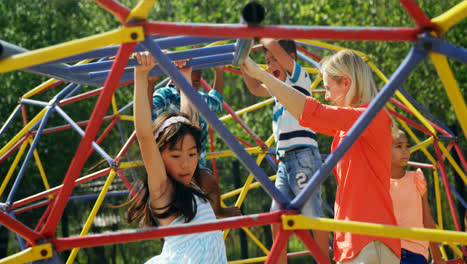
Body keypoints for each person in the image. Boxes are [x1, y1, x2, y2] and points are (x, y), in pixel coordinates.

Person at [241, 49, 401, 263]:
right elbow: (309, 115)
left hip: (371, 237)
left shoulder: (372, 117)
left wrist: (262, 75)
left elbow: (312, 112)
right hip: (351, 240)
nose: (326, 95)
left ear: (346, 82)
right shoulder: (346, 128)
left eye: (327, 88)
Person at [129, 52, 228, 263]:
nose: (186, 163)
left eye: (193, 154)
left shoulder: (191, 183)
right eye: (175, 155)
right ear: (160, 154)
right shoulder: (163, 189)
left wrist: (184, 78)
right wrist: (140, 76)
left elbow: (190, 122)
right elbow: (145, 136)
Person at [241, 38, 329, 262]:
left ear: (291, 59)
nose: (270, 65)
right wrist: (243, 60)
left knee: (311, 215)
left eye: (274, 60)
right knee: (275, 217)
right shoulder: (276, 90)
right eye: (267, 62)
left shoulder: (299, 79)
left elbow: (280, 54)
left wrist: (263, 38)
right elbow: (253, 87)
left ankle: (324, 261)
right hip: (284, 162)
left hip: (303, 156)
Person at [147, 53, 241, 218]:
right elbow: (147, 116)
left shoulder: (198, 98)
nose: (191, 85)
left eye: (196, 81)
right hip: (172, 165)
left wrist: (219, 71)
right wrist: (148, 83)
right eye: (186, 79)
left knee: (210, 182)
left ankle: (217, 210)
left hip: (195, 166)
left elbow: (216, 101)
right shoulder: (164, 96)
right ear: (172, 78)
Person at [390, 129, 445, 264]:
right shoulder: (379, 183)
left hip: (416, 253)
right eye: (399, 146)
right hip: (390, 252)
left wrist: (437, 257)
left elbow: (427, 220)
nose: (405, 151)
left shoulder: (416, 178)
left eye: (407, 146)